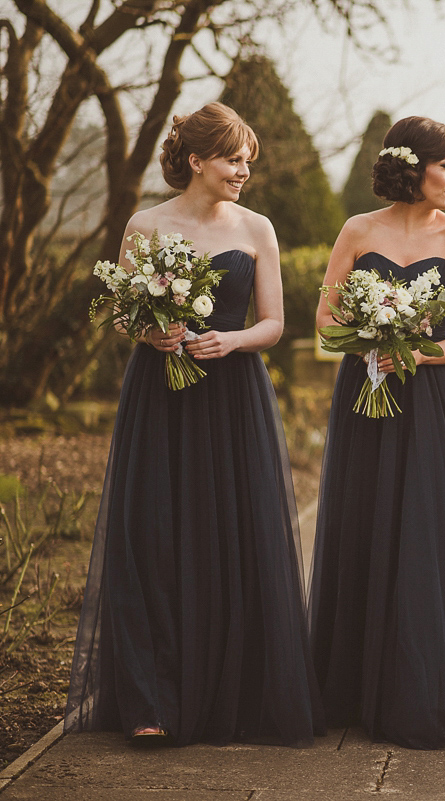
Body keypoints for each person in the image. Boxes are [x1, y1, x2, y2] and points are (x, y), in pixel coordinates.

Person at [65, 102, 323, 746]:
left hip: (235, 399)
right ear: (195, 161)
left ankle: (235, 696)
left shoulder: (257, 228)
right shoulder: (145, 225)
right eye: (233, 159)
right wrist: (150, 331)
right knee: (154, 534)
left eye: (247, 161)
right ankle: (151, 699)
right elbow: (124, 314)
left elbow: (273, 323)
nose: (242, 171)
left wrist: (231, 343)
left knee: (235, 532)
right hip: (161, 398)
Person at [307, 116, 445, 749]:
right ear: (412, 165)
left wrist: (419, 353)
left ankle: (419, 686)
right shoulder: (357, 230)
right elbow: (325, 317)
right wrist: (367, 337)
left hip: (429, 399)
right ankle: (350, 686)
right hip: (362, 396)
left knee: (425, 531)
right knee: (362, 521)